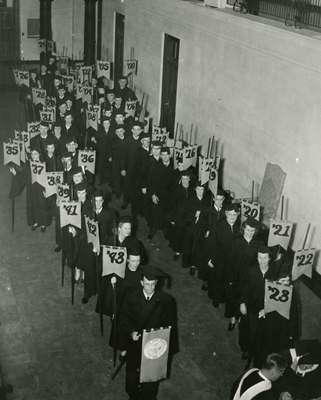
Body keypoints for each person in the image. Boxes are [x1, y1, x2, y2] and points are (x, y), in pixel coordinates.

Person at [117, 265, 178, 400]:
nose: (150, 288)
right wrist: (131, 332)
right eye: (147, 284)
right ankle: (133, 395)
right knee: (133, 376)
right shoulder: (131, 298)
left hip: (153, 347)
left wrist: (166, 350)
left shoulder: (166, 302)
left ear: (156, 283)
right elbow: (124, 319)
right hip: (135, 345)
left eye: (152, 284)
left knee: (151, 381)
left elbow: (170, 328)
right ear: (141, 283)